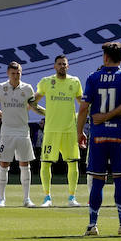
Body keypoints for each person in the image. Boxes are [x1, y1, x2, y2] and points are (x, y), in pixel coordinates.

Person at [77, 42, 121, 236]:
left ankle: (92, 226)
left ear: (105, 57)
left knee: (97, 181)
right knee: (120, 181)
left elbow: (83, 108)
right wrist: (111, 115)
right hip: (119, 135)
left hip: (98, 136)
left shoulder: (93, 77)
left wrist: (80, 132)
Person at [0, 62, 44, 208]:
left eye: (18, 72)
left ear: (21, 73)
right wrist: (0, 114)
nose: (16, 75)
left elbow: (34, 107)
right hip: (6, 131)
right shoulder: (0, 88)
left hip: (22, 131)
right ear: (8, 73)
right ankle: (1, 199)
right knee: (3, 164)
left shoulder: (27, 88)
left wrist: (47, 113)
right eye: (13, 73)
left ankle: (27, 199)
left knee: (25, 164)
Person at [34, 55, 83, 207]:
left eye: (64, 64)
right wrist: (45, 113)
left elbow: (83, 104)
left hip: (69, 130)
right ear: (54, 66)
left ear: (68, 66)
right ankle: (47, 197)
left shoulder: (74, 82)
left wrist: (78, 118)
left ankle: (72, 198)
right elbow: (32, 102)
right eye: (59, 64)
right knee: (46, 163)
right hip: (51, 130)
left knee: (73, 162)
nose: (62, 66)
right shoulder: (46, 82)